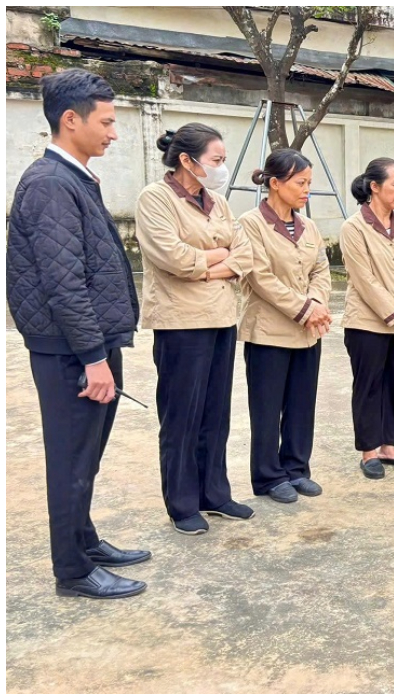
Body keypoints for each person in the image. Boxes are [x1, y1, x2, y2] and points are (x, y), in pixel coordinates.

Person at [7, 69, 149, 598]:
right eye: (106, 122)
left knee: (86, 455)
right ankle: (72, 570)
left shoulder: (73, 177)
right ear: (71, 120)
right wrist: (93, 358)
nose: (114, 133)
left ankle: (84, 541)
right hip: (71, 351)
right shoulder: (50, 184)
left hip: (91, 344)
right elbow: (63, 283)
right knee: (70, 459)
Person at [135, 122, 255, 535]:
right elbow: (173, 258)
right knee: (182, 416)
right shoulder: (156, 198)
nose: (222, 167)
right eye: (216, 160)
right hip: (180, 322)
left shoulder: (217, 201)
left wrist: (207, 263)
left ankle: (214, 493)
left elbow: (244, 254)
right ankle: (182, 503)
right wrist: (217, 258)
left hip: (222, 317)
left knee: (215, 413)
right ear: (187, 160)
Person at [237, 149, 332, 503]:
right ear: (275, 184)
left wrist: (317, 303)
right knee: (266, 407)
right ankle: (268, 476)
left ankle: (296, 468)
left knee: (301, 404)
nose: (306, 190)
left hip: (308, 331)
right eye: (300, 183)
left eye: (309, 183)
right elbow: (260, 277)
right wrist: (305, 308)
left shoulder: (309, 226)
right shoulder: (250, 223)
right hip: (268, 331)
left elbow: (321, 269)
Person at [341, 158, 394, 479]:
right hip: (366, 323)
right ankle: (368, 452)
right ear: (374, 187)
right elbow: (364, 280)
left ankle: (389, 447)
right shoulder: (353, 228)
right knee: (369, 386)